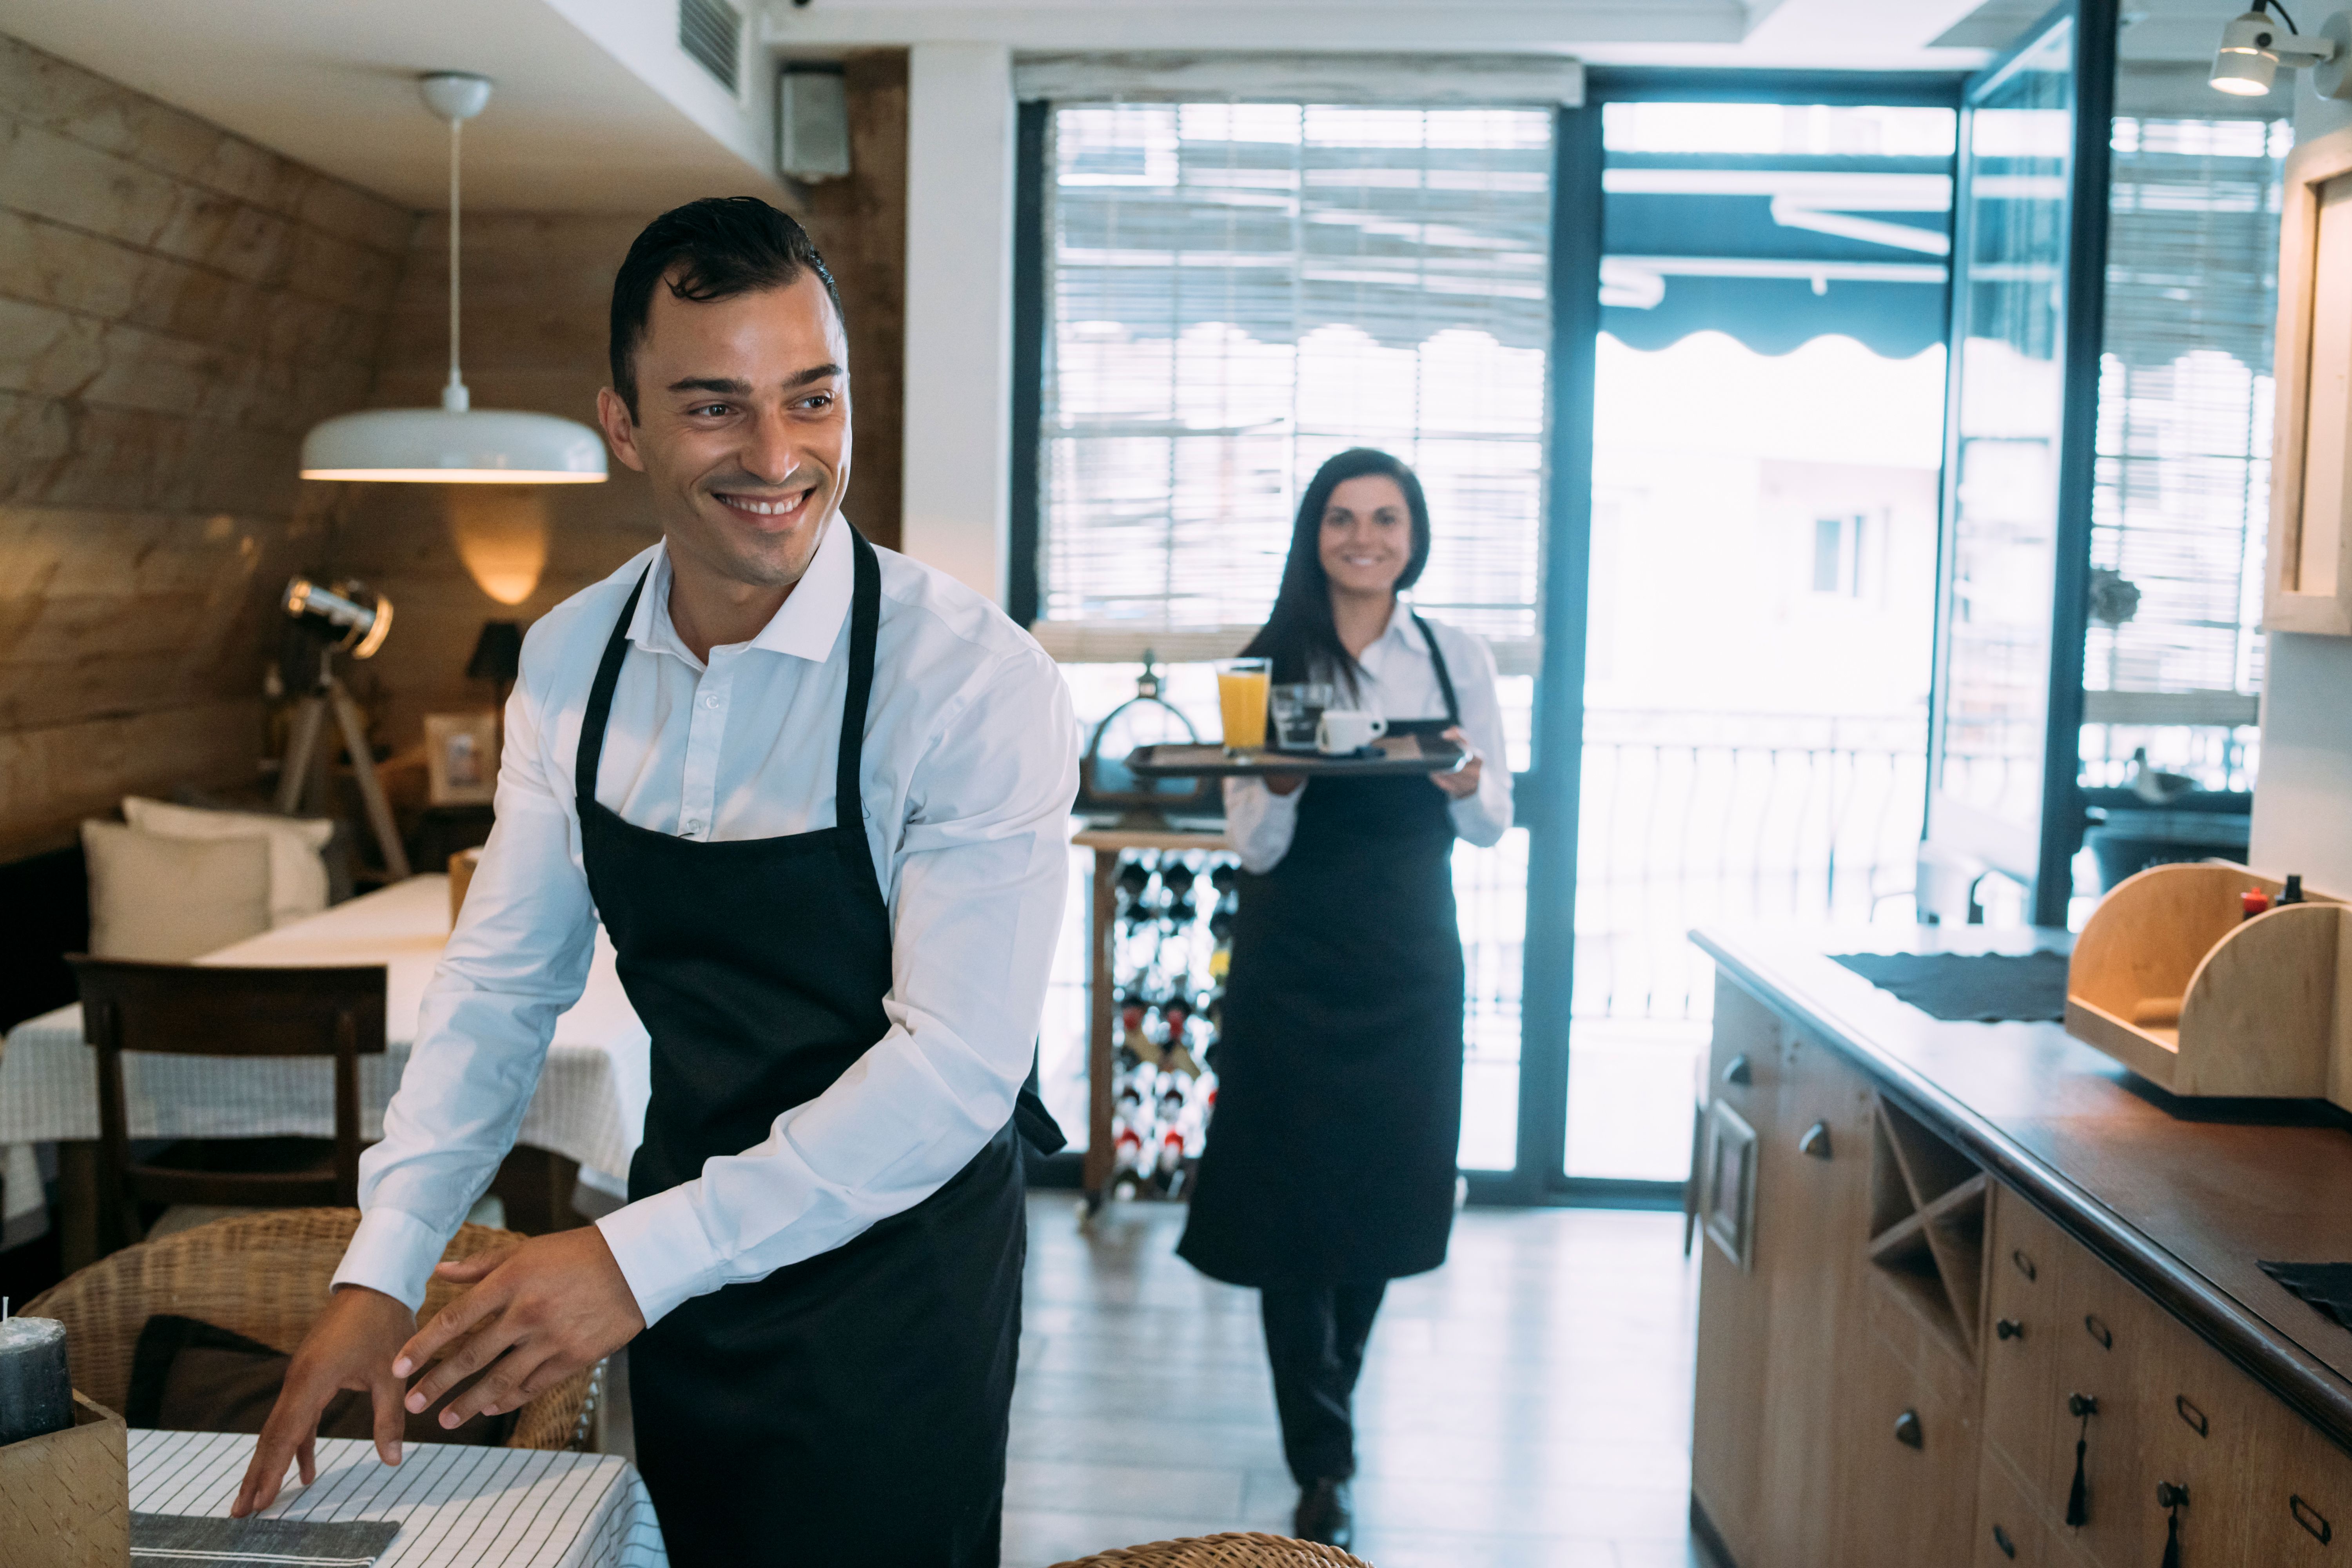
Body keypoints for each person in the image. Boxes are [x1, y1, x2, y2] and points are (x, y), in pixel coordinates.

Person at [232, 198, 1077, 1567]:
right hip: (681, 1269)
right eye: (713, 408)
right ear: (623, 424)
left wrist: (629, 1259)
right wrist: (381, 1269)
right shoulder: (570, 663)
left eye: (813, 400)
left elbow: (955, 1076)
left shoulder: (970, 683)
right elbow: (504, 989)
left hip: (894, 1285)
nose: (777, 455)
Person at [1176, 447, 1512, 1547]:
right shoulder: (1260, 665)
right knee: (1287, 1201)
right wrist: (1272, 780)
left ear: (1414, 536)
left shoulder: (1456, 658)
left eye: (1386, 518)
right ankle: (1321, 1457)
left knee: (1379, 1189)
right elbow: (1251, 848)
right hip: (1292, 960)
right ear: (1312, 534)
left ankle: (1334, 1405)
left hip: (1410, 958)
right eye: (1342, 518)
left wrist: (1464, 781)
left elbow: (1492, 819)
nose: (1364, 537)